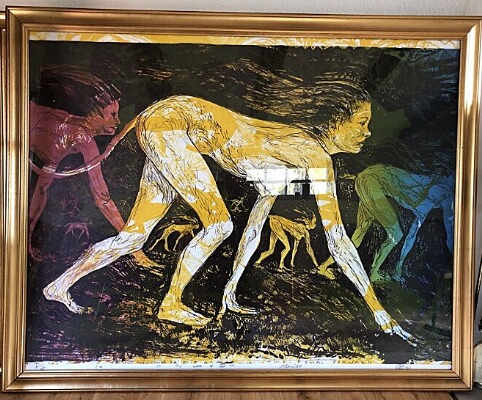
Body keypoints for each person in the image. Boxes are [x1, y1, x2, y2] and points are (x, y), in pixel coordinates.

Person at [43, 85, 412, 342]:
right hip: (173, 123)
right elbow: (338, 241)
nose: (368, 132)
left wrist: (231, 290)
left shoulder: (292, 155)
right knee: (219, 224)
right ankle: (171, 303)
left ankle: (57, 286)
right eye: (361, 122)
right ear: (335, 122)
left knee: (135, 235)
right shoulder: (313, 155)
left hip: (167, 123)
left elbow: (255, 225)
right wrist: (379, 312)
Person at [29, 67, 154, 267]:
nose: (117, 121)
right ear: (93, 113)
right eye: (112, 115)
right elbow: (103, 198)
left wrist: (26, 239)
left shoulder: (70, 130)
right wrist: (134, 249)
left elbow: (42, 188)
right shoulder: (82, 138)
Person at [318, 164, 455, 282]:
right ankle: (374, 273)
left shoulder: (426, 200)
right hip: (371, 181)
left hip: (366, 180)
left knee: (359, 234)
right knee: (395, 234)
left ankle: (323, 266)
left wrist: (399, 265)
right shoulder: (427, 188)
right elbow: (446, 229)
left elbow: (411, 236)